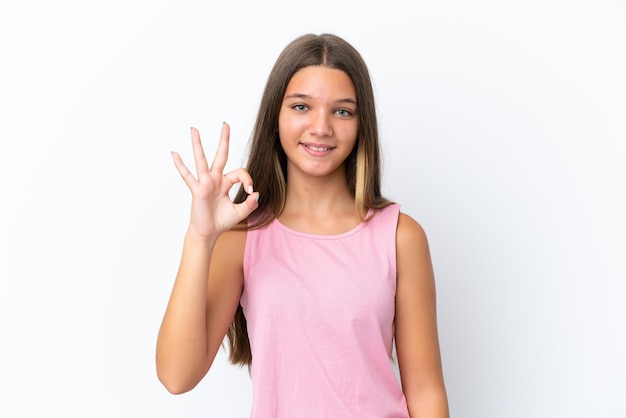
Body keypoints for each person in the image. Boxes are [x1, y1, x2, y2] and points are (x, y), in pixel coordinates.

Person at [156, 33, 449, 417]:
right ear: (275, 116)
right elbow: (177, 377)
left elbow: (426, 394)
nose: (321, 127)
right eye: (301, 107)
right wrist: (200, 237)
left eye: (342, 111)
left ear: (362, 124)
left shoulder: (400, 237)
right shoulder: (243, 237)